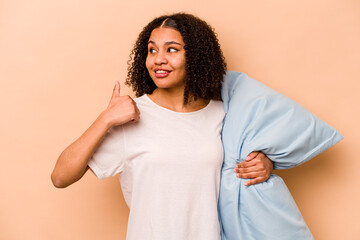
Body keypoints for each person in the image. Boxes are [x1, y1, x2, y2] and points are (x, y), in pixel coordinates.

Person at [51, 13, 273, 239]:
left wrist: (265, 162)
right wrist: (105, 119)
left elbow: (239, 167)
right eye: (152, 50)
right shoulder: (129, 116)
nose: (158, 59)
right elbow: (60, 177)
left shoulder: (222, 113)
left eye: (172, 49)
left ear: (196, 57)